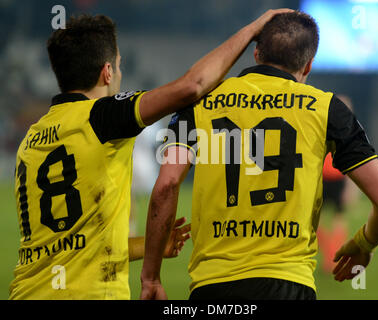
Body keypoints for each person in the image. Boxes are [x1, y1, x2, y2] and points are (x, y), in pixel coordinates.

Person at [10, 9, 287, 300]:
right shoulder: (102, 116)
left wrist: (152, 246)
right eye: (118, 66)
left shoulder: (32, 138)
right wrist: (251, 29)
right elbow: (192, 86)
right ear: (106, 72)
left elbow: (73, 247)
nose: (119, 73)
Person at [141, 11, 378, 300]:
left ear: (255, 52)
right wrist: (364, 244)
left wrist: (151, 277)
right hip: (289, 283)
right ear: (309, 65)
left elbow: (166, 185)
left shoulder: (200, 103)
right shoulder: (328, 109)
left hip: (213, 284)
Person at [317, 95, 360, 273]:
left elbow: (353, 163)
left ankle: (333, 258)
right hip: (322, 180)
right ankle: (330, 255)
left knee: (337, 220)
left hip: (338, 179)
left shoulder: (349, 130)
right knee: (316, 222)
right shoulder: (324, 126)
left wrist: (351, 189)